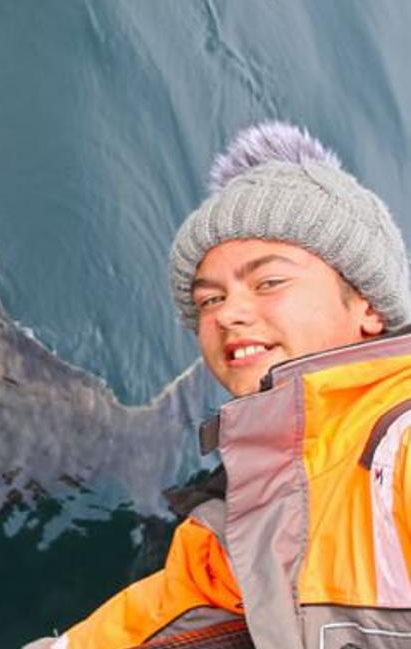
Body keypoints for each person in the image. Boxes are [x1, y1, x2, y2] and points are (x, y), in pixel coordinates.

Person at [25, 121, 411, 648]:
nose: (230, 314)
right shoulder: (246, 521)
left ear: (367, 304)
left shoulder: (398, 447)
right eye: (210, 299)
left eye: (268, 282)